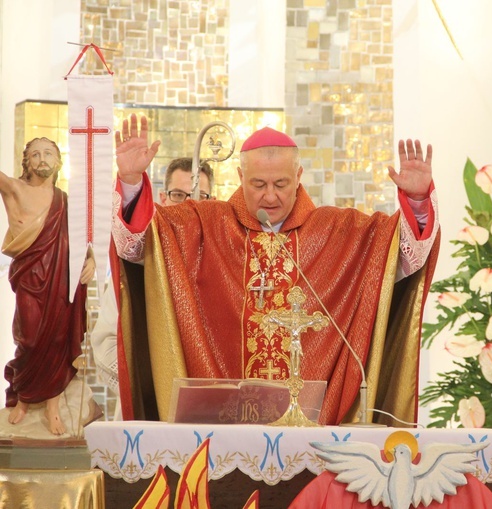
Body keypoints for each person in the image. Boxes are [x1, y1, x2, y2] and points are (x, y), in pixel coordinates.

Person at [111, 114, 440, 426]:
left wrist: (416, 201)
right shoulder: (203, 225)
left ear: (298, 177)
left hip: (313, 427)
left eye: (281, 183)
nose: (270, 196)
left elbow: (402, 259)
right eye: (258, 184)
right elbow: (139, 245)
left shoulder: (337, 231)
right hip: (220, 430)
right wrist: (130, 183)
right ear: (241, 178)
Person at [90, 157, 214, 418]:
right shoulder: (139, 259)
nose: (190, 204)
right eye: (179, 194)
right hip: (148, 409)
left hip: (209, 412)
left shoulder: (219, 267)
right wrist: (154, 379)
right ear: (163, 197)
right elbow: (105, 343)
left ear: (213, 202)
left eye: (201, 196)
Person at [0, 137, 95, 435]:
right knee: (28, 336)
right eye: (36, 155)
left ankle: (52, 406)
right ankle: (24, 399)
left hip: (61, 278)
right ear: (27, 162)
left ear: (58, 161)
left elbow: (80, 238)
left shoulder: (65, 200)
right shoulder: (16, 189)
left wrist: (90, 259)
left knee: (56, 338)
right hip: (30, 276)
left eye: (49, 154)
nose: (42, 159)